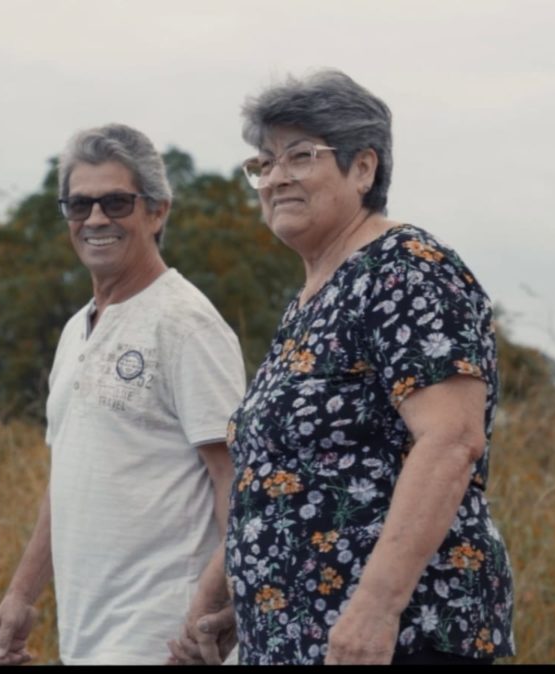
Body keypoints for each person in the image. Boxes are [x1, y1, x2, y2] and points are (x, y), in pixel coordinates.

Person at [168, 69, 516, 665]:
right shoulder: (309, 298)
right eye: (263, 163)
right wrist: (226, 597)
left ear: (363, 168)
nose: (275, 178)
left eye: (300, 156)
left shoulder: (406, 269)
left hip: (394, 638)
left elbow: (451, 440)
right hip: (299, 636)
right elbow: (281, 476)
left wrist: (376, 609)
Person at [0, 123, 247, 665]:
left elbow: (238, 485)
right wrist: (21, 595)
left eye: (116, 202)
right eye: (79, 205)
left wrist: (213, 611)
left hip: (163, 638)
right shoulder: (77, 328)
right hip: (87, 635)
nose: (96, 219)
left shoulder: (186, 324)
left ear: (157, 211)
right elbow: (70, 478)